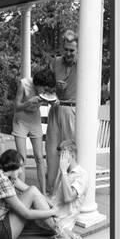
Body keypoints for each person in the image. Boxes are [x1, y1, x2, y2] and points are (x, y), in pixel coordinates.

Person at [0, 149, 79, 239]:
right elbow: (27, 214)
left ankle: (62, 232)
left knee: (35, 197)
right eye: (19, 168)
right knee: (41, 214)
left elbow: (30, 190)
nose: (20, 171)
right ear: (11, 166)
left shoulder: (4, 173)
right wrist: (53, 211)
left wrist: (50, 204)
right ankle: (62, 232)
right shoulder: (1, 181)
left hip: (1, 222)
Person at [12, 68, 56, 195]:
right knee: (22, 159)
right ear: (37, 84)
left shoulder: (47, 89)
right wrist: (27, 103)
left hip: (34, 121)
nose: (46, 92)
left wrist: (53, 102)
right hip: (20, 121)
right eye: (44, 89)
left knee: (39, 158)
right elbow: (16, 106)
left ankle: (43, 193)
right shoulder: (24, 84)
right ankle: (22, 194)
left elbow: (52, 98)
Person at [46, 30, 78, 193]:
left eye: (72, 50)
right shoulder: (55, 62)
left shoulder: (83, 63)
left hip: (72, 110)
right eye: (66, 49)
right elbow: (44, 85)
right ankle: (51, 190)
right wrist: (53, 88)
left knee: (70, 151)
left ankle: (70, 190)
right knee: (51, 151)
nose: (68, 53)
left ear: (78, 50)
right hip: (55, 108)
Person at [49, 140, 88, 239]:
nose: (60, 160)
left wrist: (63, 172)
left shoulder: (82, 175)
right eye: (59, 156)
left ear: (71, 155)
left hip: (61, 220)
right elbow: (53, 198)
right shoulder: (62, 172)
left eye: (62, 156)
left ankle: (64, 232)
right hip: (51, 214)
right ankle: (67, 234)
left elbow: (68, 198)